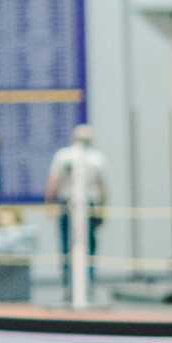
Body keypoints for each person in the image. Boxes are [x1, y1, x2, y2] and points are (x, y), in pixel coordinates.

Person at [46, 122, 109, 294]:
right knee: (78, 244)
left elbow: (53, 182)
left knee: (79, 244)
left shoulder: (68, 156)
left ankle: (77, 283)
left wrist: (50, 204)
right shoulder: (93, 157)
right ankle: (79, 283)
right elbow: (102, 187)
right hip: (73, 204)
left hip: (83, 205)